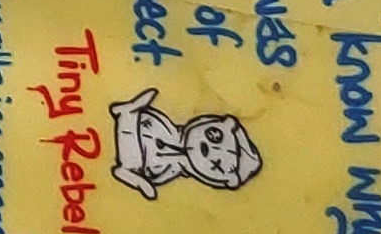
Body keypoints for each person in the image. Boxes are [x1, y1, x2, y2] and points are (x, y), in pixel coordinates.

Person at [110, 85, 265, 198]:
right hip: (139, 123)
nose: (207, 149)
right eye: (215, 137)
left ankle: (128, 170)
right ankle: (127, 113)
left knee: (135, 166)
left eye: (217, 163)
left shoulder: (172, 169)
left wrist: (142, 182)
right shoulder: (170, 130)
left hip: (137, 163)